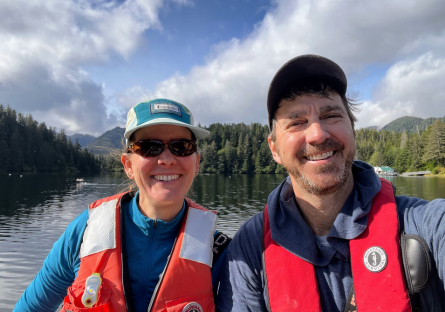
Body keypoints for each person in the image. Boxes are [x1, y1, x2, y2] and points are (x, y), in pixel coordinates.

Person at [216, 55, 445, 311]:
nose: (317, 134)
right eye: (297, 122)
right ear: (275, 150)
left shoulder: (427, 225)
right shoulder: (250, 246)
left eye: (332, 115)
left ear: (353, 131)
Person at [14, 98, 230, 312]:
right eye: (149, 147)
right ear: (128, 165)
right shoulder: (86, 231)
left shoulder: (218, 251)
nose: (167, 159)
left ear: (197, 162)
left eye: (181, 147)